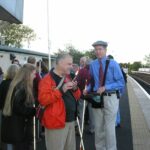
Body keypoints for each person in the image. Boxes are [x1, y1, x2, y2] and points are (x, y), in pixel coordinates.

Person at [84, 41, 125, 150]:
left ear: (105, 50)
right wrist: (87, 89)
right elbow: (91, 81)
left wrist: (106, 87)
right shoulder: (93, 64)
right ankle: (100, 148)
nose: (98, 51)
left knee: (109, 127)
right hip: (97, 98)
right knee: (98, 127)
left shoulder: (113, 64)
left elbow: (121, 82)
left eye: (100, 49)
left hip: (110, 97)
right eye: (96, 49)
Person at [38, 53, 81, 150]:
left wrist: (75, 88)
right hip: (56, 123)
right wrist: (61, 90)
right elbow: (43, 100)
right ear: (60, 63)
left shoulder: (68, 77)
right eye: (69, 64)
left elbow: (78, 96)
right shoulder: (47, 80)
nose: (71, 67)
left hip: (70, 121)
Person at [2, 63, 36, 150]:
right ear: (28, 74)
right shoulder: (22, 86)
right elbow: (17, 107)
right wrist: (33, 111)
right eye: (34, 74)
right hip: (19, 127)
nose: (35, 76)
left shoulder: (16, 84)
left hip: (14, 124)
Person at [0, 64, 19, 150]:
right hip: (16, 113)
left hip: (4, 112)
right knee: (15, 133)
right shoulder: (18, 85)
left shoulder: (3, 83)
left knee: (7, 134)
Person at [76, 56, 95, 134]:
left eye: (82, 61)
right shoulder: (94, 70)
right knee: (92, 114)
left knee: (81, 113)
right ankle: (92, 129)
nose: (81, 62)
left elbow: (78, 82)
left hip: (83, 95)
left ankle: (80, 130)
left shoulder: (82, 71)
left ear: (85, 63)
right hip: (93, 94)